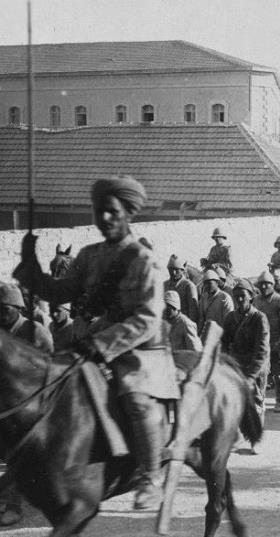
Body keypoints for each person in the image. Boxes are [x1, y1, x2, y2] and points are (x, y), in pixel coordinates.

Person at [13, 175, 179, 509]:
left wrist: (103, 343)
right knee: (52, 386)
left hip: (139, 351)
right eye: (99, 211)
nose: (104, 218)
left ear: (128, 213)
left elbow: (147, 319)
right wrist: (31, 267)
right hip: (92, 343)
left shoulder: (143, 261)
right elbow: (61, 291)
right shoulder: (89, 256)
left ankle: (150, 476)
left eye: (112, 211)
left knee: (136, 399)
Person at [221, 279, 270, 451]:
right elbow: (224, 343)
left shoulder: (259, 318)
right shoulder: (230, 318)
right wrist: (226, 366)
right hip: (236, 365)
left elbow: (262, 350)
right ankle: (238, 436)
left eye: (243, 296)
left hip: (255, 366)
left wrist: (251, 376)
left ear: (250, 297)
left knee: (256, 403)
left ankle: (256, 439)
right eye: (236, 297)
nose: (239, 300)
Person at [253, 271, 280, 412]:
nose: (264, 286)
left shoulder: (279, 301)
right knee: (260, 373)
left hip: (277, 342)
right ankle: (260, 400)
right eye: (262, 284)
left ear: (272, 285)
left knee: (278, 374)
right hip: (261, 343)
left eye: (267, 284)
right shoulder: (256, 300)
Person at [0, 285, 53, 353]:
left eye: (5, 309)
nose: (0, 312)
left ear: (19, 309)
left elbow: (49, 358)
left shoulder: (35, 330)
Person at [163, 254, 199, 326]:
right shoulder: (165, 285)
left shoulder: (189, 286)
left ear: (182, 270)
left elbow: (193, 312)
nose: (173, 272)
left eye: (176, 270)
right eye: (171, 269)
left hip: (182, 327)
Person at [197, 269, 234, 336]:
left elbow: (228, 322)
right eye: (205, 283)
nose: (207, 286)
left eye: (210, 283)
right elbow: (201, 319)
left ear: (217, 282)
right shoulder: (204, 297)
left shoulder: (225, 298)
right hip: (207, 335)